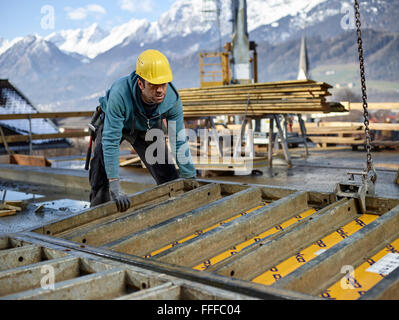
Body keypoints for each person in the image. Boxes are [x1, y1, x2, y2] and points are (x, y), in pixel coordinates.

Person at [89, 49, 197, 212]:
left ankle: (174, 212)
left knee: (168, 176)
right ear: (141, 84)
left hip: (146, 127)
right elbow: (110, 142)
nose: (160, 90)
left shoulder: (172, 100)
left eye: (163, 84)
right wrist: (116, 186)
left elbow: (178, 140)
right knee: (100, 164)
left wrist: (189, 177)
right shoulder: (120, 94)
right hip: (115, 121)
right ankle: (98, 213)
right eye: (154, 85)